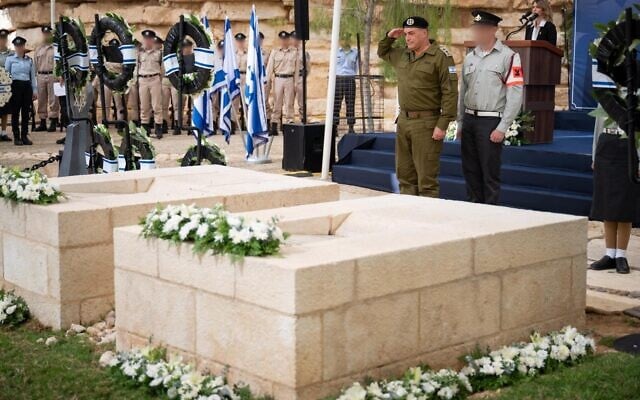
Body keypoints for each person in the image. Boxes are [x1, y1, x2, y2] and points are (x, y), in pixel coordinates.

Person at [378, 16, 458, 198]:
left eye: (412, 33)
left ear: (425, 33)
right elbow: (382, 52)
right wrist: (389, 37)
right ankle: (409, 214)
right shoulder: (403, 55)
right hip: (404, 121)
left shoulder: (441, 57)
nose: (408, 38)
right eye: (406, 34)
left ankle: (428, 219)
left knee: (426, 179)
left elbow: (450, 92)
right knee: (405, 175)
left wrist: (443, 124)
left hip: (427, 124)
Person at [457, 10, 524, 204]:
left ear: (493, 30)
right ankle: (474, 209)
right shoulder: (470, 57)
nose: (477, 32)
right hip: (470, 119)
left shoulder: (509, 57)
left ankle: (491, 213)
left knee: (489, 173)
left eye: (482, 28)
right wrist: (461, 122)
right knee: (470, 171)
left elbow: (515, 93)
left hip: (490, 121)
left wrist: (502, 127)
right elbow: (464, 92)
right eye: (475, 28)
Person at [5, 36, 37, 146]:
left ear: (24, 47)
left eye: (21, 46)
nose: (19, 48)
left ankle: (24, 136)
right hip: (15, 86)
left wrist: (34, 90)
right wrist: (7, 90)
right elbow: (6, 75)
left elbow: (32, 76)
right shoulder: (10, 59)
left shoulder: (29, 60)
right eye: (17, 46)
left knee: (25, 113)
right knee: (15, 112)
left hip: (26, 86)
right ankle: (16, 136)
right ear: (15, 47)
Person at [265, 30, 298, 136]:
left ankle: (289, 124)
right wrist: (267, 80)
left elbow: (297, 69)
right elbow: (270, 68)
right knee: (277, 102)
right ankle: (274, 125)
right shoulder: (274, 52)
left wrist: (296, 83)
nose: (284, 41)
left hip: (289, 78)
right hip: (278, 78)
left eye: (286, 39)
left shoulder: (294, 52)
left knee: (289, 103)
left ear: (288, 40)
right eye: (282, 39)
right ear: (280, 40)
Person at [137, 30, 163, 139]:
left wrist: (159, 79)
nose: (147, 41)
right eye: (145, 39)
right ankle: (145, 128)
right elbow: (136, 67)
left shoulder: (158, 53)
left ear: (153, 40)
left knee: (157, 105)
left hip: (154, 78)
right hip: (143, 79)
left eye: (149, 39)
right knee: (144, 106)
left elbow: (163, 68)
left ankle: (158, 128)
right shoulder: (140, 53)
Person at [93, 38, 126, 122]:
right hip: (107, 80)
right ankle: (104, 121)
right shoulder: (105, 58)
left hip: (118, 80)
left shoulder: (123, 57)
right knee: (105, 104)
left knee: (119, 105)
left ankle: (120, 123)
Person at [34, 26, 58, 132]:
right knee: (41, 99)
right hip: (40, 75)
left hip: (52, 74)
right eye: (44, 33)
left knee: (53, 99)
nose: (46, 35)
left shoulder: (56, 48)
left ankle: (53, 120)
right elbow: (35, 64)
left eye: (48, 33)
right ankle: (42, 121)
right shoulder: (38, 48)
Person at [334, 35, 358, 133]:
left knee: (350, 104)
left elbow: (357, 68)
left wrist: (352, 75)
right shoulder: (336, 52)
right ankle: (334, 127)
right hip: (338, 79)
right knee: (336, 104)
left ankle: (351, 127)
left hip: (350, 79)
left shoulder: (355, 52)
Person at [171, 38, 194, 135]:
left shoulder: (194, 57)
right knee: (178, 105)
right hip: (179, 84)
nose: (186, 49)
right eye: (184, 47)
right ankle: (178, 124)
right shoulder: (177, 58)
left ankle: (191, 124)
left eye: (188, 47)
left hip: (193, 83)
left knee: (192, 106)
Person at [291, 30, 310, 121]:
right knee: (289, 101)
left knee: (302, 101)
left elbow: (308, 67)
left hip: (300, 77)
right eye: (294, 38)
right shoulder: (288, 51)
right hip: (290, 78)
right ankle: (289, 120)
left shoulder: (304, 52)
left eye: (297, 39)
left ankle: (303, 118)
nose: (295, 41)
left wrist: (303, 77)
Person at [0, 29, 15, 142]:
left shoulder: (12, 54)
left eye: (4, 39)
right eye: (1, 39)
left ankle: (4, 132)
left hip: (6, 85)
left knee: (5, 109)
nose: (3, 41)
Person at [234, 32, 247, 131]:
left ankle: (246, 123)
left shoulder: (248, 53)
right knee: (235, 101)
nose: (240, 43)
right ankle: (233, 123)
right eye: (238, 41)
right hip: (236, 78)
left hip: (245, 77)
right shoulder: (233, 55)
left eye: (242, 41)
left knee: (246, 101)